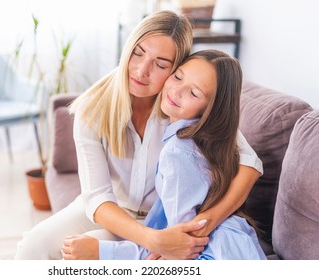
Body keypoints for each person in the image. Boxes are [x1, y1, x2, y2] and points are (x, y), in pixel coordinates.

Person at [15, 10, 263, 260]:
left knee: (85, 258)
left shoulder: (181, 106)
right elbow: (98, 199)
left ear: (177, 67)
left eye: (161, 64)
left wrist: (204, 224)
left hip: (164, 219)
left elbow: (250, 163)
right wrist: (156, 241)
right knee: (31, 248)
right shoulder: (93, 107)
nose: (141, 71)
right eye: (138, 53)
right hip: (113, 211)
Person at [61, 50, 266, 260]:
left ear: (212, 109)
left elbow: (183, 245)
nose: (177, 91)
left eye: (193, 93)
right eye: (177, 77)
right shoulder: (193, 138)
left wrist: (101, 252)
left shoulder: (179, 151)